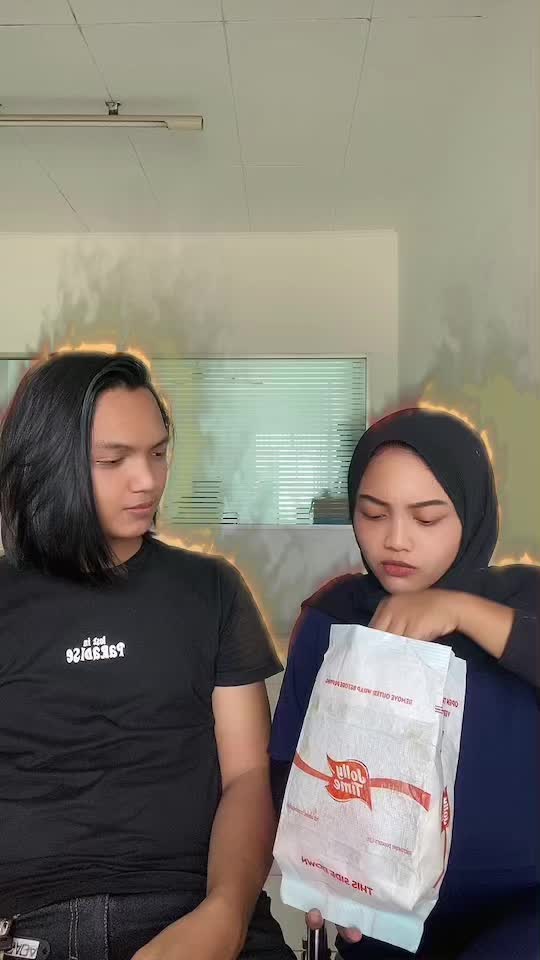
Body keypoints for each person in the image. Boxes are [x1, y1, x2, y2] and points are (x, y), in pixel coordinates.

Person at [0, 351, 295, 960]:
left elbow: (247, 778)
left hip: (195, 907)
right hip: (30, 923)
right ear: (47, 461)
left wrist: (224, 916)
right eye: (113, 460)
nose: (148, 480)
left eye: (158, 452)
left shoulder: (211, 589)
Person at [270, 407, 539, 960]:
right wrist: (313, 871)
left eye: (427, 519)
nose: (395, 540)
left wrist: (460, 610)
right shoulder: (334, 616)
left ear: (471, 513)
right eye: (373, 514)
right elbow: (289, 767)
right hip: (384, 911)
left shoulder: (523, 600)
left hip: (524, 907)